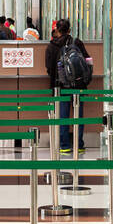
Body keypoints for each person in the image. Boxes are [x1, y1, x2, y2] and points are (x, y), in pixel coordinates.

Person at [46, 18, 92, 153]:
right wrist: (86, 77)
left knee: (63, 115)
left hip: (60, 86)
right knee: (78, 115)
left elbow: (49, 68)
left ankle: (64, 145)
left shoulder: (51, 46)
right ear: (69, 30)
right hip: (79, 85)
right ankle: (79, 144)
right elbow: (88, 60)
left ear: (56, 30)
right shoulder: (77, 43)